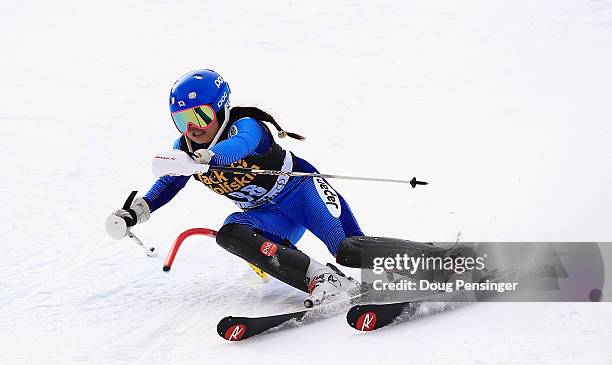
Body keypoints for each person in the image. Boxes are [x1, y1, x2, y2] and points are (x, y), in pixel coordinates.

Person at [105, 69, 444, 307]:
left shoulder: (245, 126)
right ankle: (323, 281)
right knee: (231, 233)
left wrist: (209, 157)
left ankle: (438, 261)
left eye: (200, 116)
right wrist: (137, 211)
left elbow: (241, 146)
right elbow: (168, 182)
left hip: (302, 193)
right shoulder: (186, 151)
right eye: (182, 120)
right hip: (266, 216)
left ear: (220, 110)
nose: (192, 128)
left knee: (350, 250)